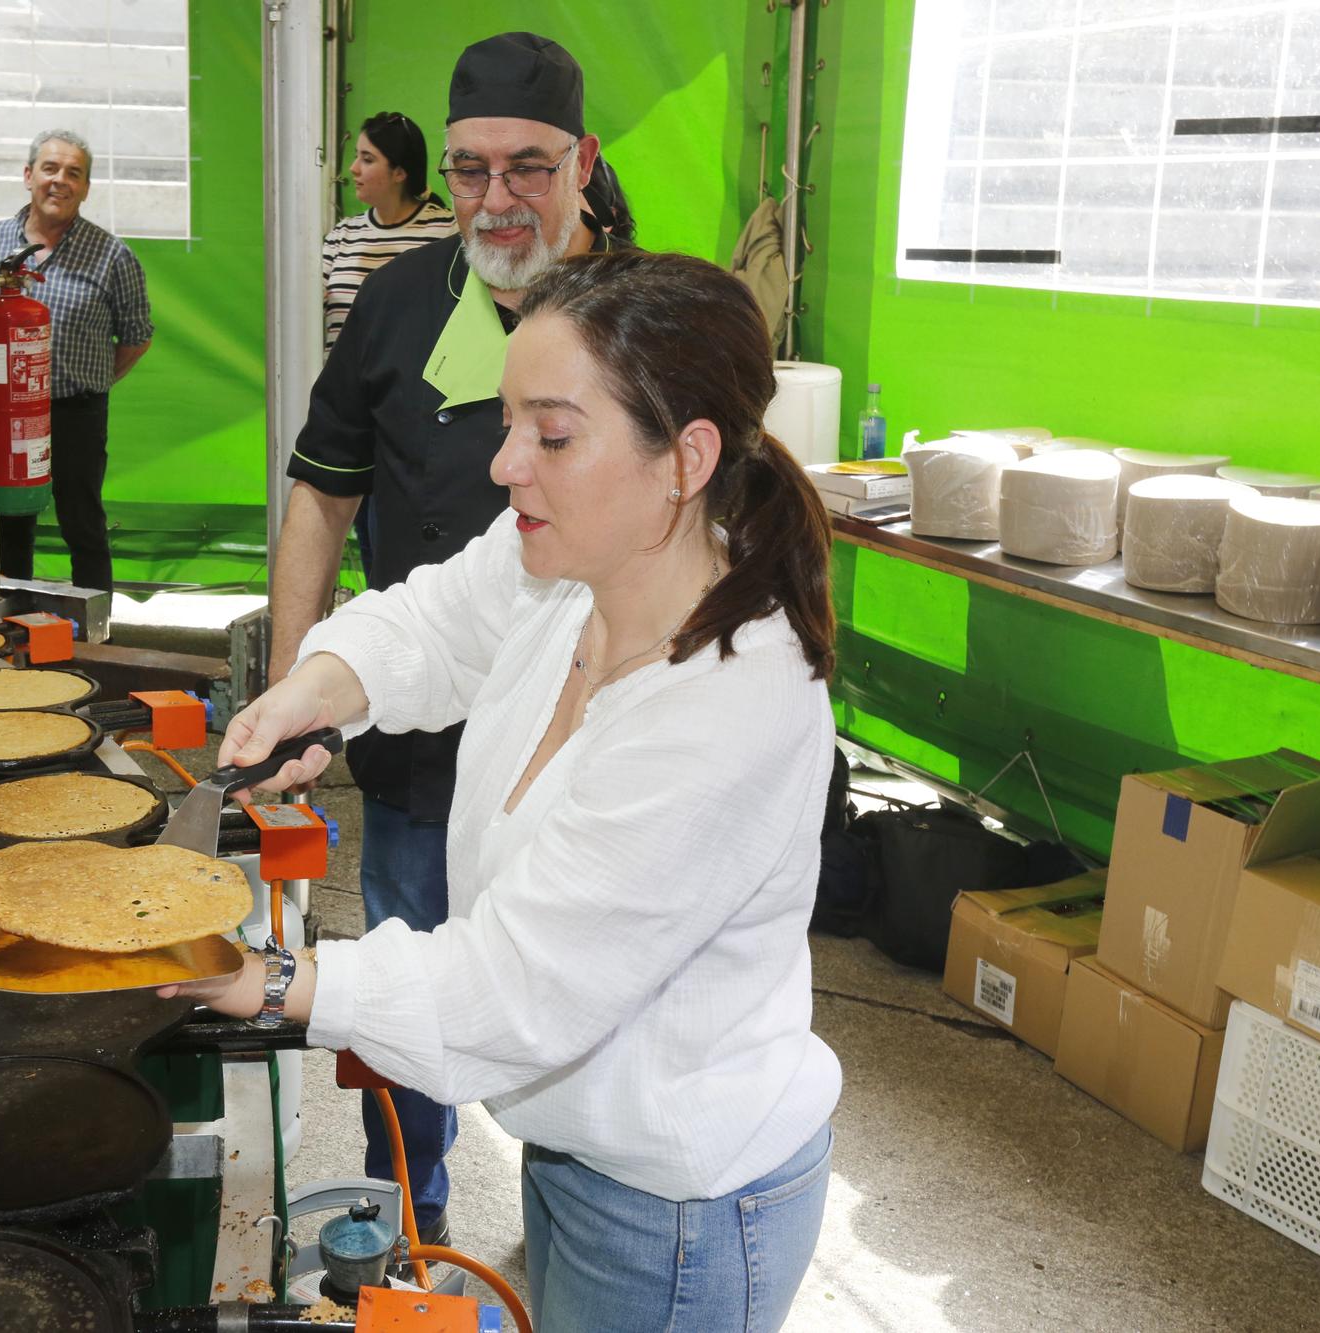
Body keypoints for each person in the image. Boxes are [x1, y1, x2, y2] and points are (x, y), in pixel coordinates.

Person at [173, 250, 841, 1331]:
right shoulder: (573, 563)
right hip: (578, 1141)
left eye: (552, 434)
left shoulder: (725, 704)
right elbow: (435, 617)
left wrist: (265, 976)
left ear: (685, 456)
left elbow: (510, 993)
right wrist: (317, 691)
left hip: (676, 1205)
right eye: (507, 423)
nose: (503, 466)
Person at [269, 31, 621, 1248]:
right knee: (411, 1009)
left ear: (581, 163)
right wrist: (294, 692)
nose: (495, 199)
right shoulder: (400, 298)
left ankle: (567, 1227)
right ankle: (403, 1228)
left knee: (576, 1027)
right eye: (469, 170)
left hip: (589, 759)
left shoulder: (642, 320)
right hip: (418, 744)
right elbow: (323, 489)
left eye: (527, 167)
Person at [0, 129, 153, 591]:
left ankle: (96, 638)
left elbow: (138, 336)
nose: (60, 181)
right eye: (50, 169)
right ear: (28, 176)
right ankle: (11, 628)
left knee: (82, 524)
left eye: (73, 173)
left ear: (85, 187)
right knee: (8, 524)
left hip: (76, 411)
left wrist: (96, 381)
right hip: (7, 414)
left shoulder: (112, 255)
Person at [321, 111, 454, 356]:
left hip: (410, 389)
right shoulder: (342, 236)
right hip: (341, 390)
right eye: (355, 157)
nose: (353, 169)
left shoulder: (446, 231)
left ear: (399, 173)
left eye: (368, 159)